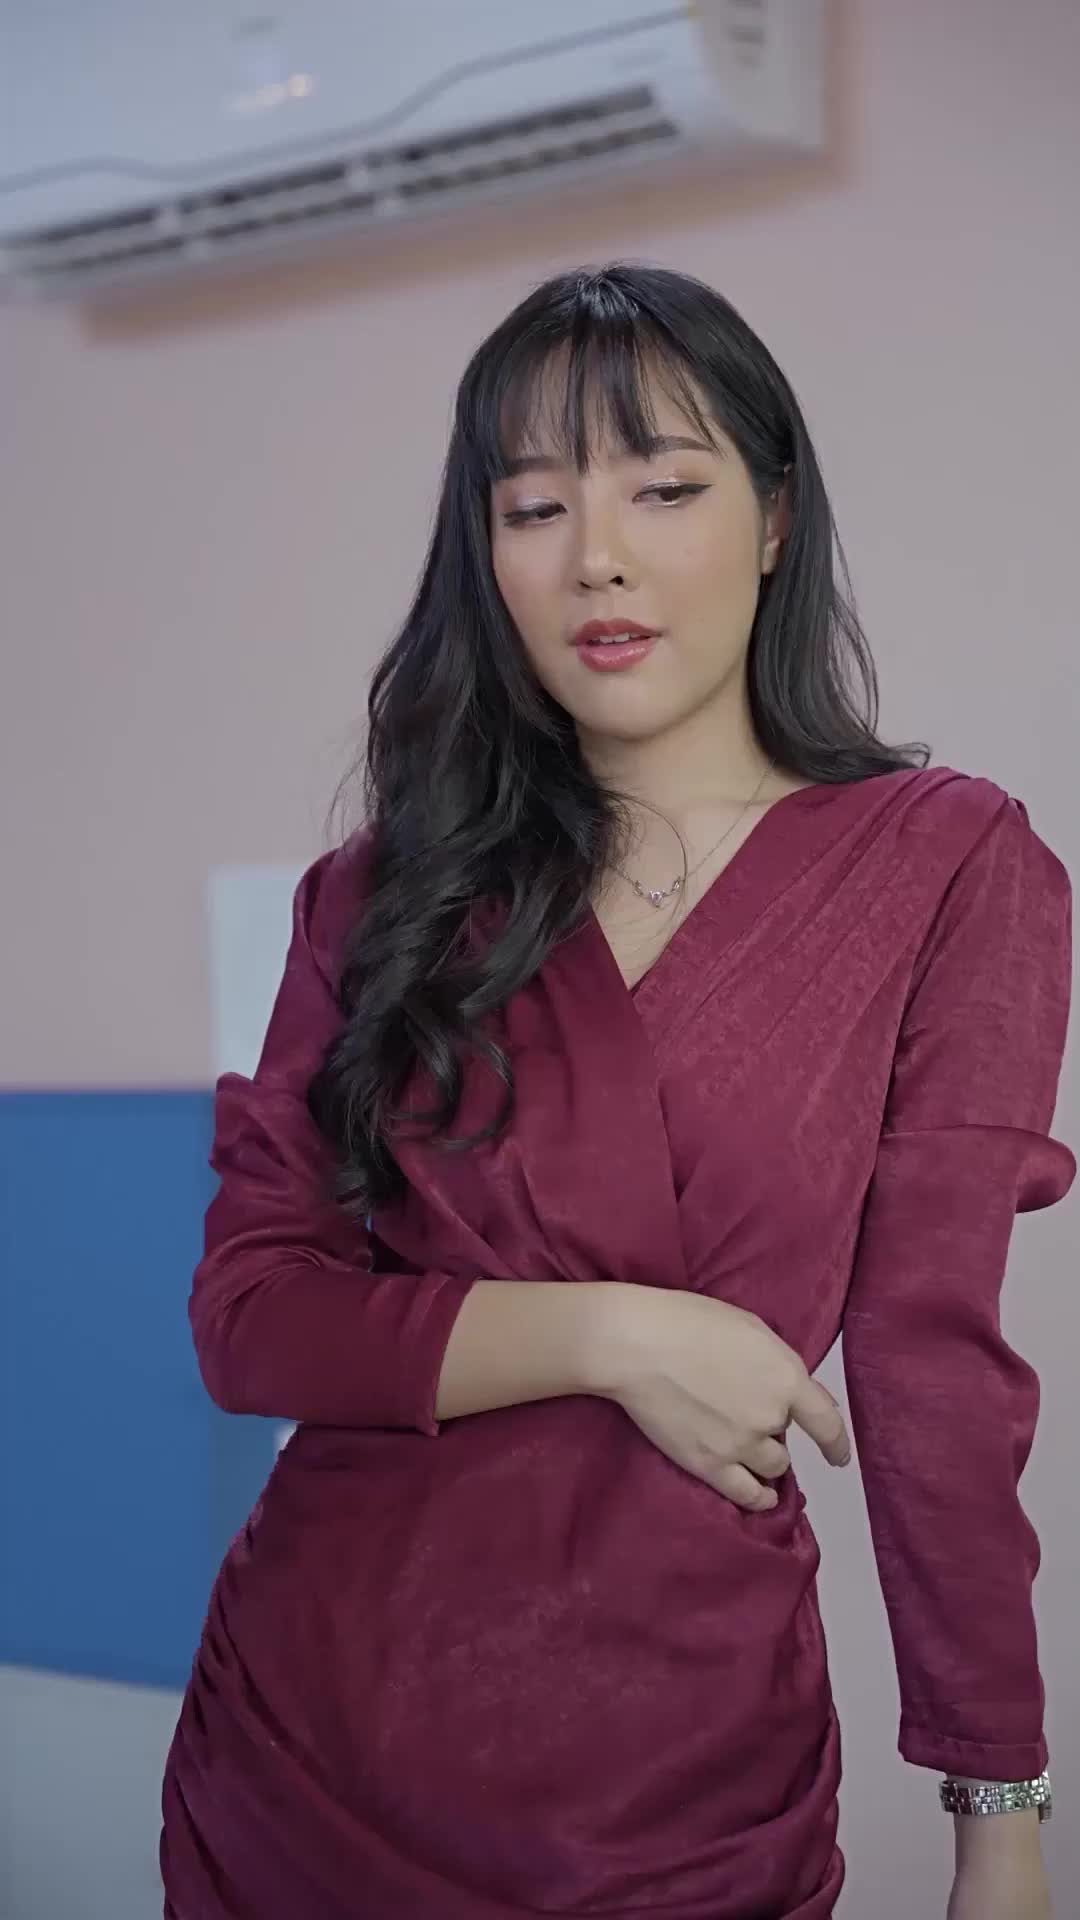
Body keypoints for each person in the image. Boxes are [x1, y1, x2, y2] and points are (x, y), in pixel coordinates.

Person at [160, 263, 1072, 1920]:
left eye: (663, 487)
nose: (597, 555)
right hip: (309, 1747)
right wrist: (612, 1334)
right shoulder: (378, 895)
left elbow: (934, 1363)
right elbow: (250, 1321)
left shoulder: (949, 863)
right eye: (534, 506)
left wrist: (998, 1814)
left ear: (774, 518)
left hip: (682, 1780)